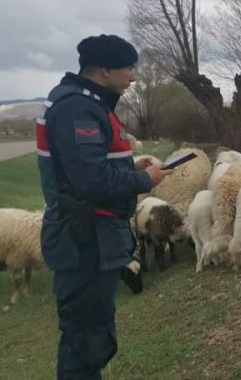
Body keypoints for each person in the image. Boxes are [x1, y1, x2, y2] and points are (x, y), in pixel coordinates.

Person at [36, 34, 171, 379]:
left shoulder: (85, 103)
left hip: (90, 237)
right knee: (85, 341)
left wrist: (130, 168)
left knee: (90, 334)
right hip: (84, 240)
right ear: (106, 70)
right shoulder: (77, 108)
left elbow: (85, 169)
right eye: (129, 68)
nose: (133, 76)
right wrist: (145, 181)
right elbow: (89, 181)